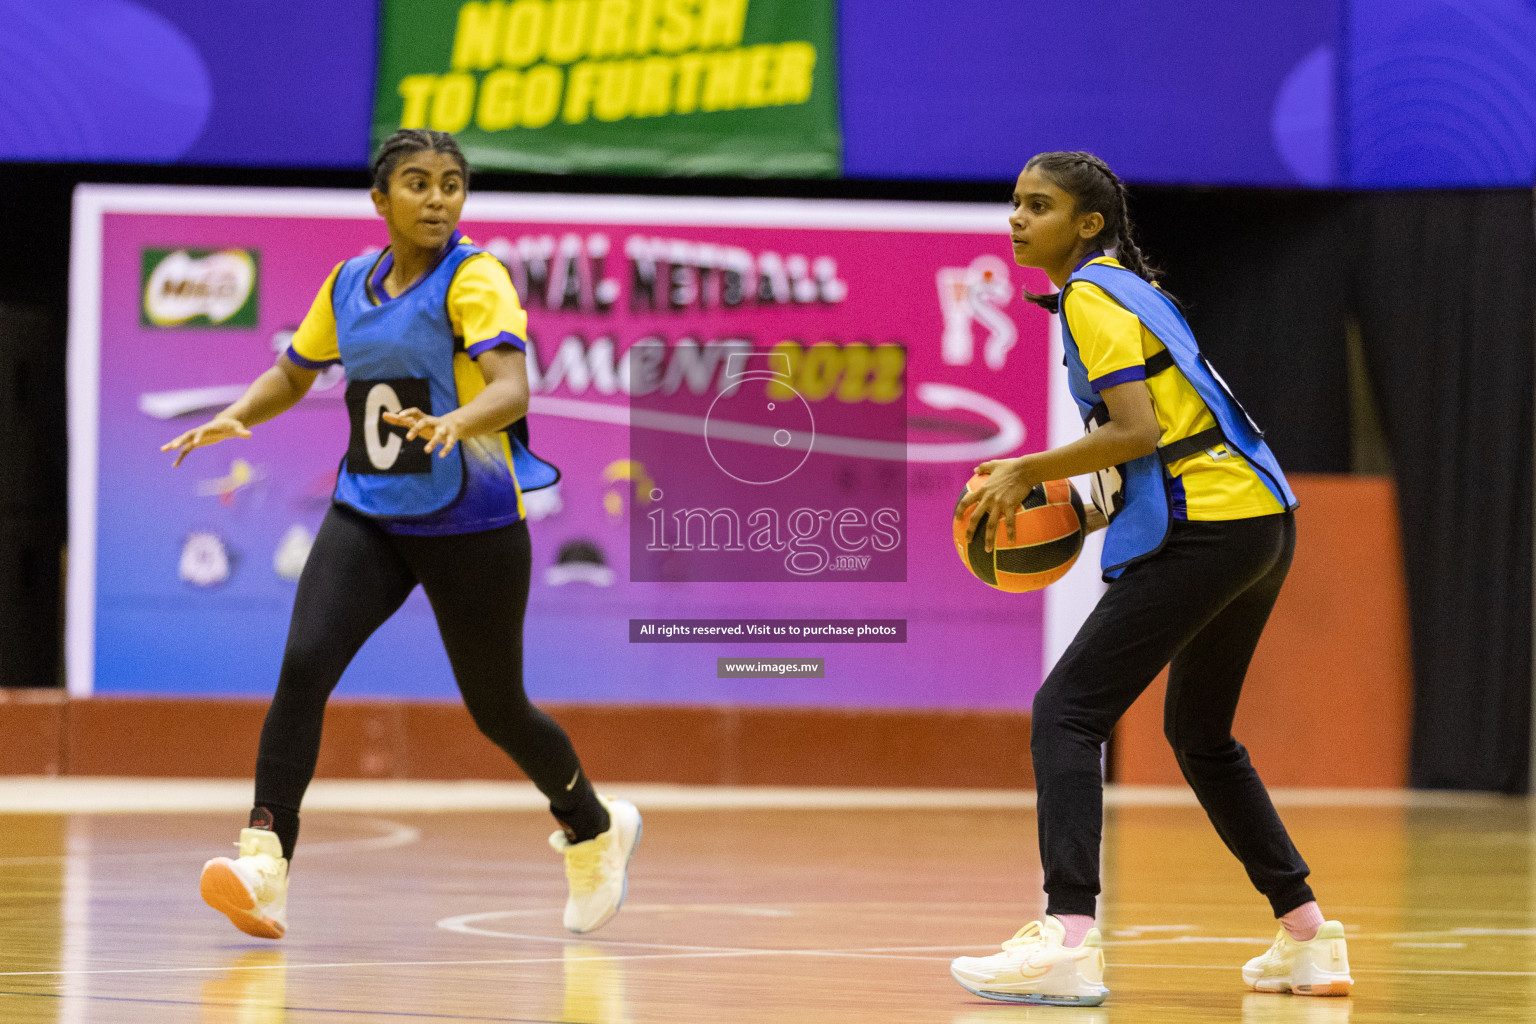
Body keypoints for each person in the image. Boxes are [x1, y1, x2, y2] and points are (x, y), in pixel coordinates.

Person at [163, 129, 640, 941]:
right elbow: (295, 370)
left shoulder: (475, 278)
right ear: (380, 201)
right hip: (370, 512)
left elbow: (513, 388)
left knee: (497, 710)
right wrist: (240, 411)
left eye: (451, 184)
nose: (438, 198)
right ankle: (264, 863)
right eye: (417, 183)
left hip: (474, 520)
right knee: (305, 664)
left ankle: (592, 828)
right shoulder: (349, 282)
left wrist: (458, 418)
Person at [949, 151, 1351, 1006]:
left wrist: (1027, 472)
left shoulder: (1094, 294)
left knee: (1067, 711)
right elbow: (1163, 437)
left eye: (1040, 205)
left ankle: (1065, 937)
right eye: (1015, 203)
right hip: (1256, 520)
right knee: (1201, 736)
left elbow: (1133, 431)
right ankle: (1309, 936)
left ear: (1088, 223)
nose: (1017, 218)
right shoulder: (1131, 288)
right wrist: (1071, 500)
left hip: (1209, 524)